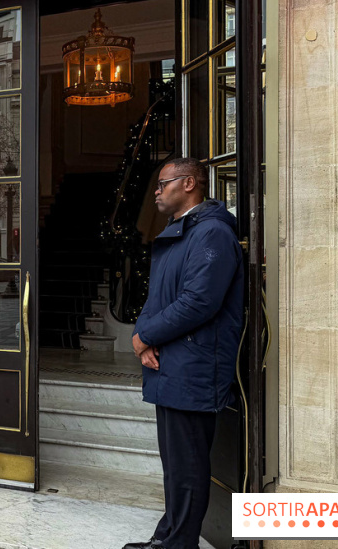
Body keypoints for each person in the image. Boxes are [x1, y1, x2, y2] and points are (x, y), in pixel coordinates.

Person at [124, 158, 244, 549]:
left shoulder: (212, 233)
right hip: (173, 363)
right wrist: (143, 336)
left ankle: (178, 544)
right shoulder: (181, 230)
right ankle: (168, 538)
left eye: (164, 184)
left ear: (189, 183)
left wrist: (146, 336)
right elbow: (158, 297)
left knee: (188, 466)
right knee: (176, 466)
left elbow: (198, 302)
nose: (157, 191)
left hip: (193, 366)